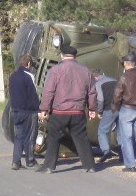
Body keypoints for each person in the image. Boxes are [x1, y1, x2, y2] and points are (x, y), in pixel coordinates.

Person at [36, 45, 97, 174]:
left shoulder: (56, 70)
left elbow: (49, 91)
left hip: (60, 111)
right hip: (78, 111)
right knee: (81, 137)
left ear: (62, 55)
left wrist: (44, 109)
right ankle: (89, 166)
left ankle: (48, 166)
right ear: (75, 56)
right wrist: (92, 109)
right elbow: (92, 92)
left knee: (53, 137)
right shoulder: (85, 70)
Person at [111, 54, 136, 172]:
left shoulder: (124, 77)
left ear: (125, 64)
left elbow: (117, 95)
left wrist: (115, 108)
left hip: (127, 109)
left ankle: (130, 165)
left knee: (127, 138)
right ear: (135, 63)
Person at [8, 54, 40, 170]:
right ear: (28, 64)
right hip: (28, 110)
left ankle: (16, 162)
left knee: (18, 136)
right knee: (30, 136)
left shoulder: (12, 76)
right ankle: (30, 160)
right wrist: (38, 109)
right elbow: (33, 94)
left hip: (15, 110)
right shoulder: (29, 76)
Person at [92, 69, 119, 163]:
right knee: (120, 131)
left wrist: (99, 111)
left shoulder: (98, 84)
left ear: (95, 77)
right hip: (122, 108)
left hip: (109, 109)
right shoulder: (115, 81)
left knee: (102, 131)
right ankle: (123, 154)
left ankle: (106, 151)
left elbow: (100, 99)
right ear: (103, 73)